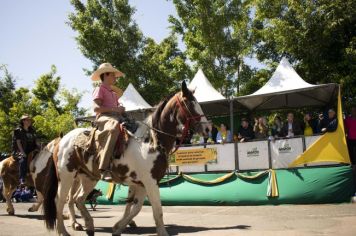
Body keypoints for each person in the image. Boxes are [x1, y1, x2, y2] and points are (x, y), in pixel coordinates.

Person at [91, 63, 125, 181]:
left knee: (136, 126)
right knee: (113, 128)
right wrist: (115, 109)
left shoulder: (114, 93)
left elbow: (116, 107)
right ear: (105, 75)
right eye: (113, 75)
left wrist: (121, 108)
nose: (115, 77)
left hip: (116, 117)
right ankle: (104, 168)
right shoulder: (99, 89)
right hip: (104, 118)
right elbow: (96, 109)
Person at [12, 115, 40, 185]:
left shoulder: (32, 130)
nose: (29, 121)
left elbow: (36, 141)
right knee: (23, 159)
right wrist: (22, 152)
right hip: (20, 150)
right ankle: (22, 178)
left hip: (32, 149)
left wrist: (40, 147)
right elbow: (18, 143)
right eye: (28, 120)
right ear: (23, 121)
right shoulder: (18, 130)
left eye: (30, 120)